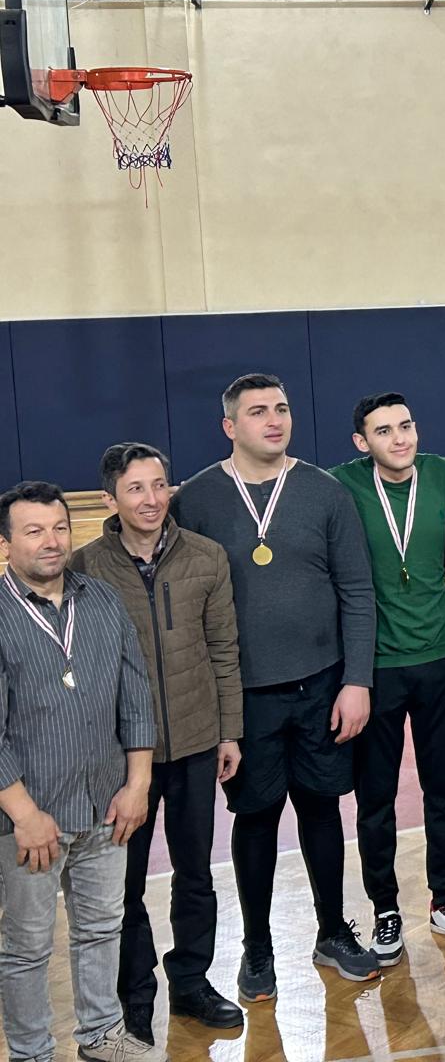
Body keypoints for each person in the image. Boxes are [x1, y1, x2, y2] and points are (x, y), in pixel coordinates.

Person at [173, 373, 380, 996]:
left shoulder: (324, 491)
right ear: (229, 426)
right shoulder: (196, 500)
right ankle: (257, 947)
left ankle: (332, 932)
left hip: (322, 687)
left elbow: (357, 591)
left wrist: (357, 680)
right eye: (258, 411)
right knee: (257, 817)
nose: (274, 420)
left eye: (282, 409)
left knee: (322, 809)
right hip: (245, 696)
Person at [71, 444, 244, 1042]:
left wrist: (228, 729)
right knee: (125, 884)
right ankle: (135, 997)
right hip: (123, 761)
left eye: (160, 485)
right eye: (136, 488)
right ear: (109, 499)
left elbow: (223, 649)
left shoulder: (207, 556)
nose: (152, 500)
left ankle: (192, 982)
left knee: (196, 874)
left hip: (196, 743)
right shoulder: (85, 569)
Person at [0, 482, 162, 1061]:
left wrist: (137, 784)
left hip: (106, 806)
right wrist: (25, 815)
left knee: (102, 928)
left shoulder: (102, 599)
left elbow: (136, 696)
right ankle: (31, 1053)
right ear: (6, 543)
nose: (51, 541)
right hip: (30, 820)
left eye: (60, 528)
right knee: (27, 947)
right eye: (34, 531)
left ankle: (101, 1034)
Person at [330, 393, 445, 965]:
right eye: (383, 430)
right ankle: (385, 910)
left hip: (441, 659)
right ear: (361, 442)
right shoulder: (342, 483)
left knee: (444, 789)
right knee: (375, 798)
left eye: (406, 426)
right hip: (374, 669)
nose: (399, 438)